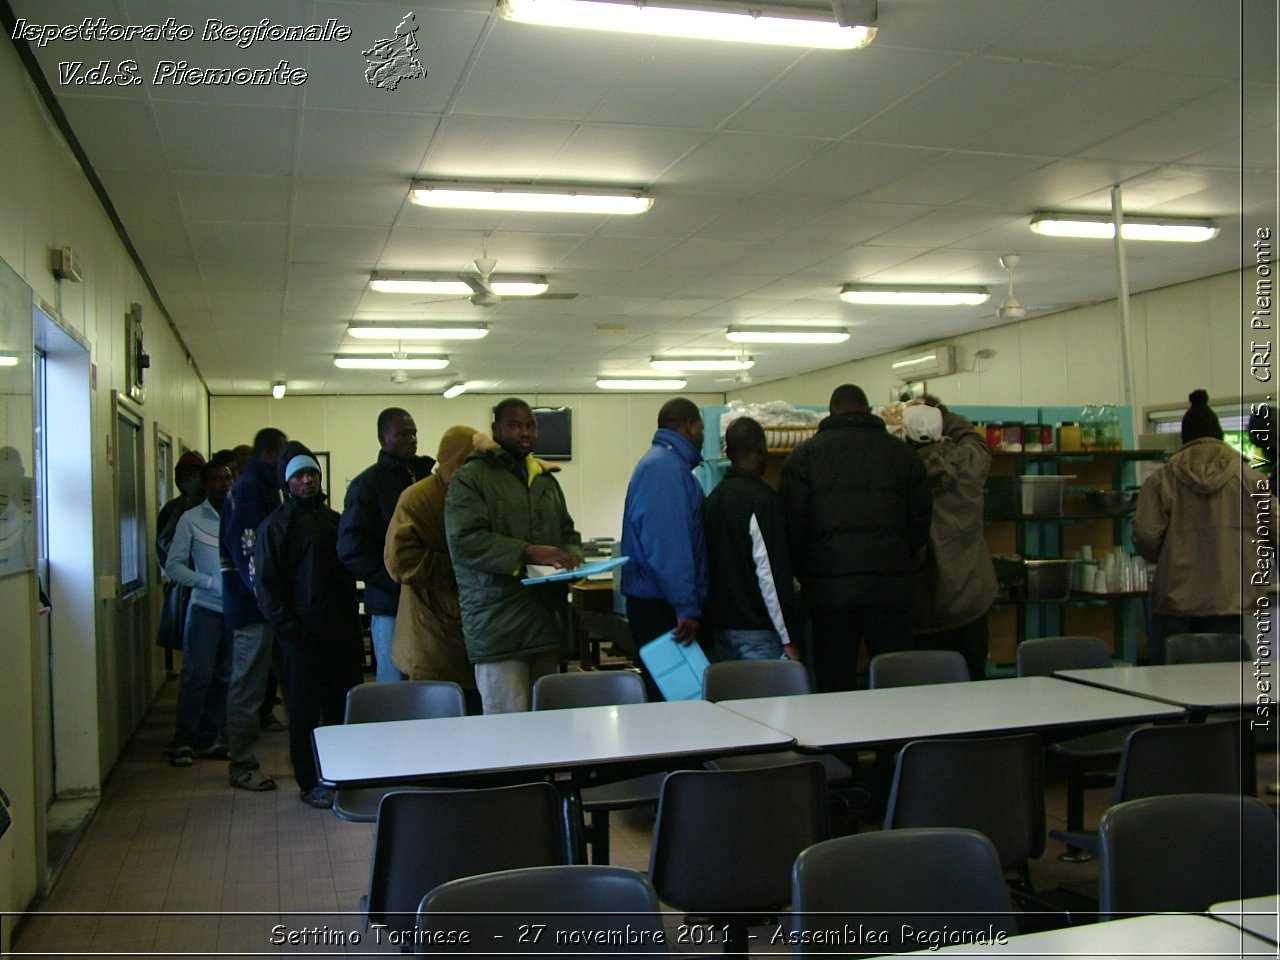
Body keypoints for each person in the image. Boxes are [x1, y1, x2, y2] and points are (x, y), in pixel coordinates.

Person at [780, 383, 932, 692]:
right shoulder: (903, 454)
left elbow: (792, 527)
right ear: (867, 410)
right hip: (891, 589)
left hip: (830, 592)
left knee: (835, 684)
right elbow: (920, 522)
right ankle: (898, 740)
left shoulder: (805, 456)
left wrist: (809, 574)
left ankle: (840, 740)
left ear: (831, 412)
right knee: (897, 683)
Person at [445, 399, 583, 713]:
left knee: (546, 724)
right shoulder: (471, 477)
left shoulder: (546, 480)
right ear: (496, 429)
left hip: (544, 622)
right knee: (507, 729)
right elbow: (466, 540)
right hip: (499, 628)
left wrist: (571, 557)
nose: (525, 433)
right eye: (515, 425)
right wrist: (529, 551)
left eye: (530, 425)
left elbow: (567, 531)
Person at [255, 443, 364, 808]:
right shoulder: (275, 527)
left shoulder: (335, 522)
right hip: (300, 640)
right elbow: (268, 589)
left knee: (340, 708)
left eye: (312, 474)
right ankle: (309, 780)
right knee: (304, 713)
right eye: (299, 476)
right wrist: (293, 632)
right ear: (288, 483)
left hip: (341, 635)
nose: (307, 481)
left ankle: (339, 775)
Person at [1134, 390, 1269, 665]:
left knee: (1172, 688)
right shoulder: (1251, 479)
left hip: (1175, 600)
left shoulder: (1162, 479)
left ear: (1184, 438)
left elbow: (1146, 536)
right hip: (1229, 599)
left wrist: (1170, 554)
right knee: (1224, 686)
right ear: (1218, 434)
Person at [384, 425, 481, 712]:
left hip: (470, 630)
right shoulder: (418, 498)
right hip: (429, 634)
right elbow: (399, 560)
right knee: (434, 724)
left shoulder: (475, 495)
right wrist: (460, 570)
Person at [338, 407, 436, 682]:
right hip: (390, 604)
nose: (413, 439)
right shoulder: (366, 486)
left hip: (429, 601)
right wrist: (395, 580)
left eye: (415, 433)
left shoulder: (427, 479)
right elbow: (351, 549)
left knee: (430, 681)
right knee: (394, 686)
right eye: (404, 433)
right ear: (383, 438)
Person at [902, 401, 998, 680]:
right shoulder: (970, 462)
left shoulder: (900, 472)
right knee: (972, 688)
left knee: (923, 694)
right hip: (970, 599)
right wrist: (942, 412)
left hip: (922, 603)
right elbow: (973, 437)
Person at [620, 397, 709, 697]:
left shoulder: (666, 464)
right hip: (664, 609)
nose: (702, 435)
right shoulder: (664, 468)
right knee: (677, 702)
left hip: (664, 603)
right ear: (689, 426)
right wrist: (686, 605)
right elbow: (668, 546)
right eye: (701, 427)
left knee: (678, 701)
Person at [221, 426, 287, 792]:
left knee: (286, 682)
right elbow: (249, 555)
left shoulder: (264, 488)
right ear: (269, 455)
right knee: (247, 687)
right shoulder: (249, 492)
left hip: (269, 609)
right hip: (253, 610)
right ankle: (242, 765)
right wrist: (268, 601)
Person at [703, 416, 800, 662]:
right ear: (761, 447)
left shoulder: (712, 499)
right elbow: (770, 575)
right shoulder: (762, 501)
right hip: (758, 634)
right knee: (766, 701)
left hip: (720, 631)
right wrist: (788, 638)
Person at [165, 459, 235, 766]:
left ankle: (208, 739)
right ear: (206, 484)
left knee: (224, 677)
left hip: (234, 612)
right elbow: (173, 566)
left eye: (229, 477)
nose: (225, 483)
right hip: (205, 610)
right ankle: (184, 741)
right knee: (197, 676)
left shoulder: (240, 515)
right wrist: (206, 582)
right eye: (218, 479)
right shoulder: (190, 518)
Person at [155, 450, 205, 655]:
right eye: (184, 475)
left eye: (194, 474)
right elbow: (163, 547)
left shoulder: (214, 504)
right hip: (185, 587)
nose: (188, 479)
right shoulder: (171, 510)